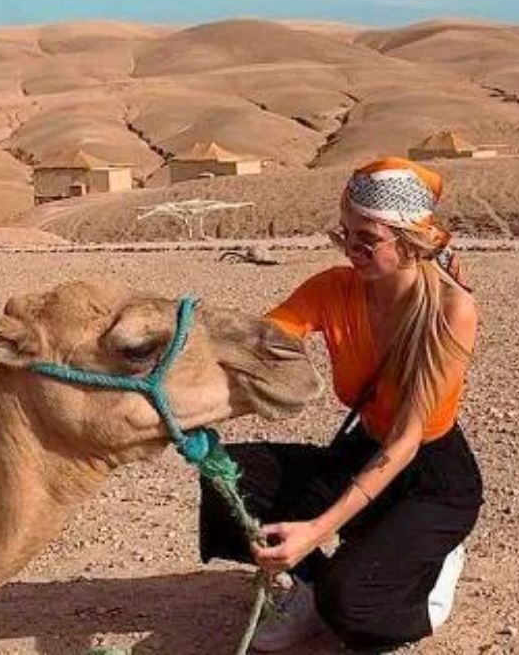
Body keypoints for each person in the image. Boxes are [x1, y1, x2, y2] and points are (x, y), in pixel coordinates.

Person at [199, 157, 484, 653]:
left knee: (353, 609)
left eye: (366, 239)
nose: (351, 250)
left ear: (409, 239)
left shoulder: (450, 310)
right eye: (345, 235)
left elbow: (405, 442)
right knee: (227, 475)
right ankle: (310, 586)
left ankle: (433, 581)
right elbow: (262, 343)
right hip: (363, 450)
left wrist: (317, 530)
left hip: (430, 479)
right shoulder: (333, 289)